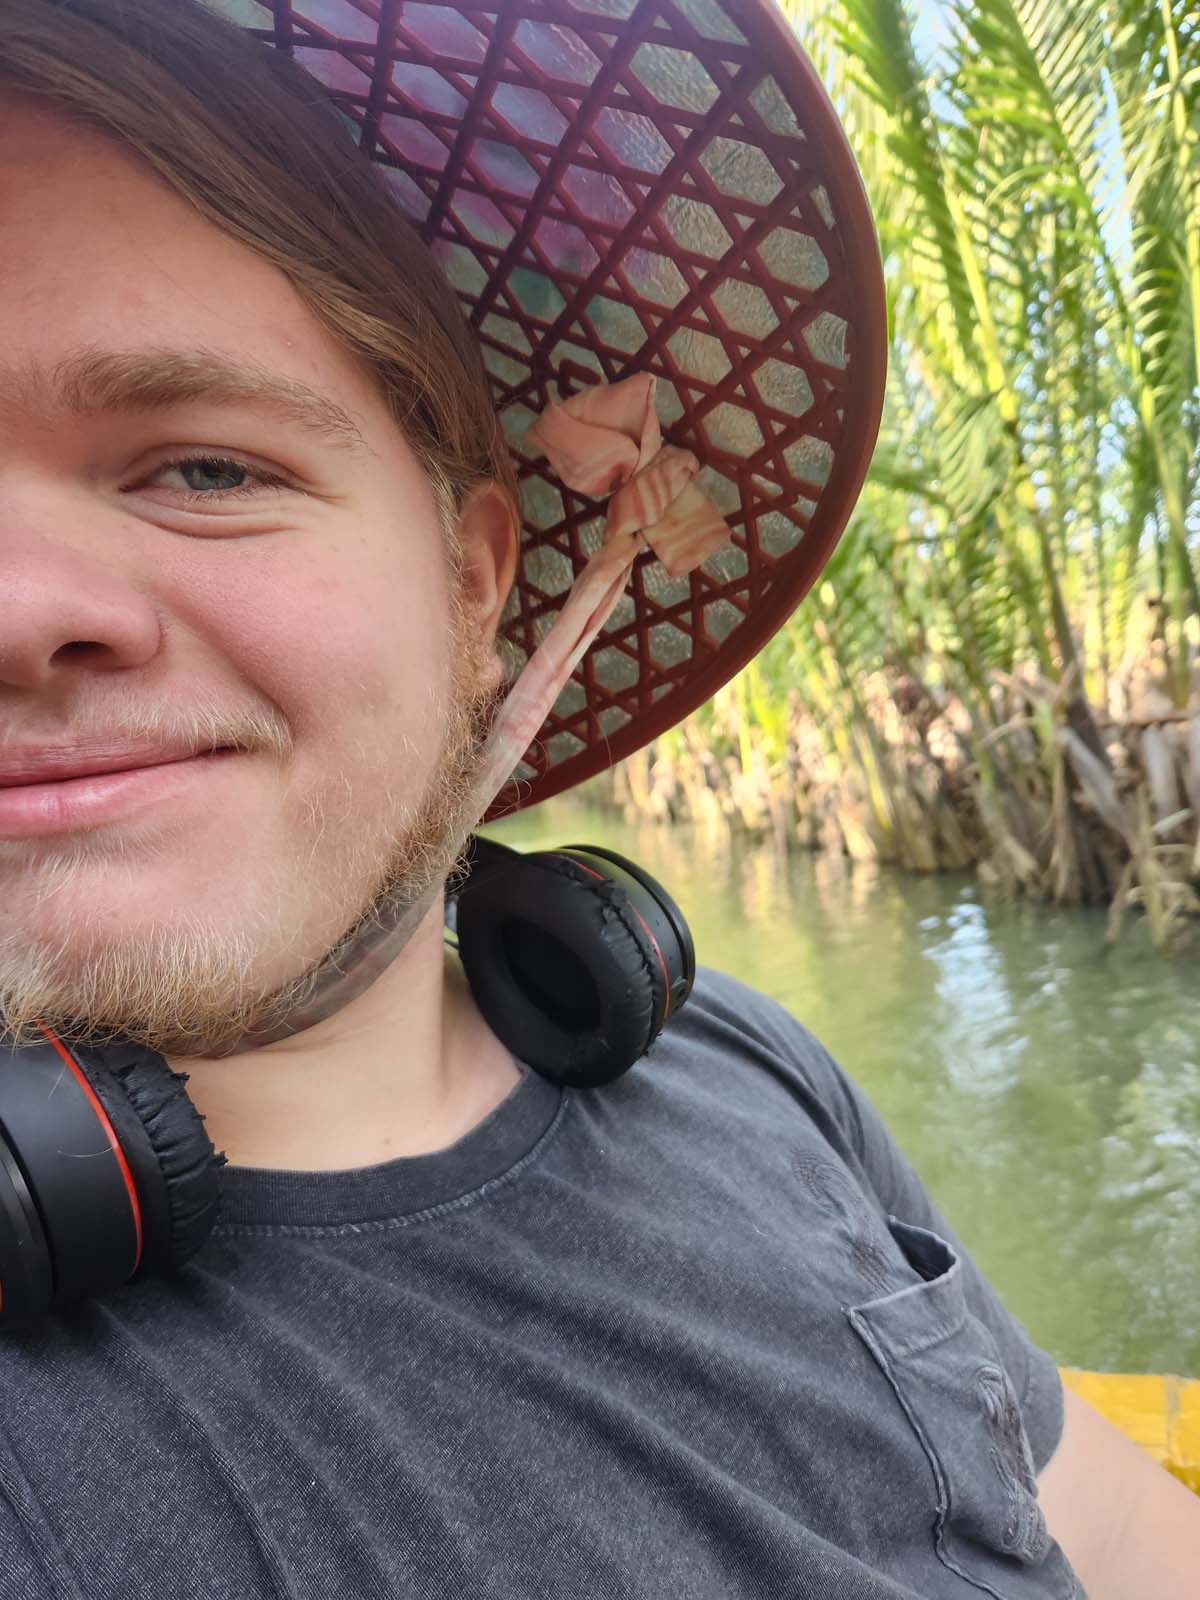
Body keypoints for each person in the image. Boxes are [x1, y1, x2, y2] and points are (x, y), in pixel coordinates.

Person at [0, 1, 1196, 1596]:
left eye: (204, 469)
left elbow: (1104, 1527)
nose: (21, 605)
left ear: (476, 582)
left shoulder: (738, 1061)